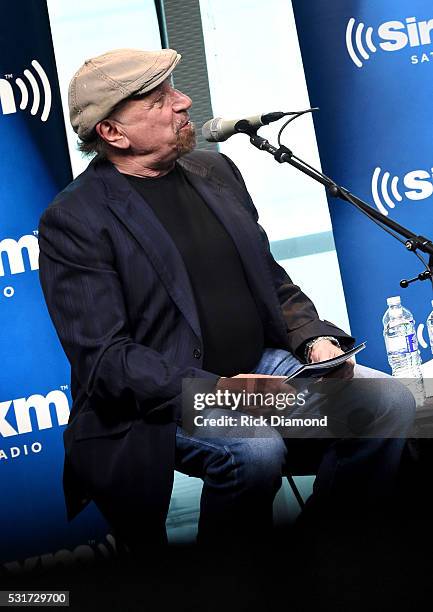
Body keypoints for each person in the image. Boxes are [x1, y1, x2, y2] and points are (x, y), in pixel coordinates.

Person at [38, 48, 415, 560]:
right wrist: (217, 391)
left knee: (386, 402)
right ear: (113, 134)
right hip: (172, 396)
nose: (183, 101)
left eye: (174, 90)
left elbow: (270, 280)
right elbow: (106, 359)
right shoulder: (75, 220)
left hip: (264, 370)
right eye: (159, 99)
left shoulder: (215, 171)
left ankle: (322, 560)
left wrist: (314, 338)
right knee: (255, 450)